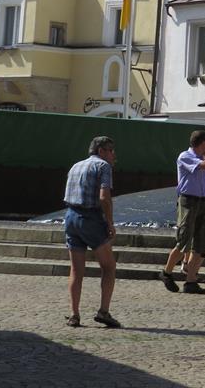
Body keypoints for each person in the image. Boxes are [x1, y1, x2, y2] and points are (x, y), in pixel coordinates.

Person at [62, 136, 121, 328]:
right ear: (101, 151)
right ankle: (104, 311)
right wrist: (110, 223)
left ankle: (74, 314)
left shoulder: (76, 166)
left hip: (71, 217)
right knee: (109, 266)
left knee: (76, 270)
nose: (114, 155)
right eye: (111, 150)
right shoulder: (103, 166)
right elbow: (104, 197)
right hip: (91, 218)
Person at [159, 130, 205, 295]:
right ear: (202, 143)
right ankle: (166, 273)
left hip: (204, 201)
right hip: (189, 202)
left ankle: (190, 282)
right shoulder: (185, 156)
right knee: (183, 242)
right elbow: (203, 167)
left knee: (201, 245)